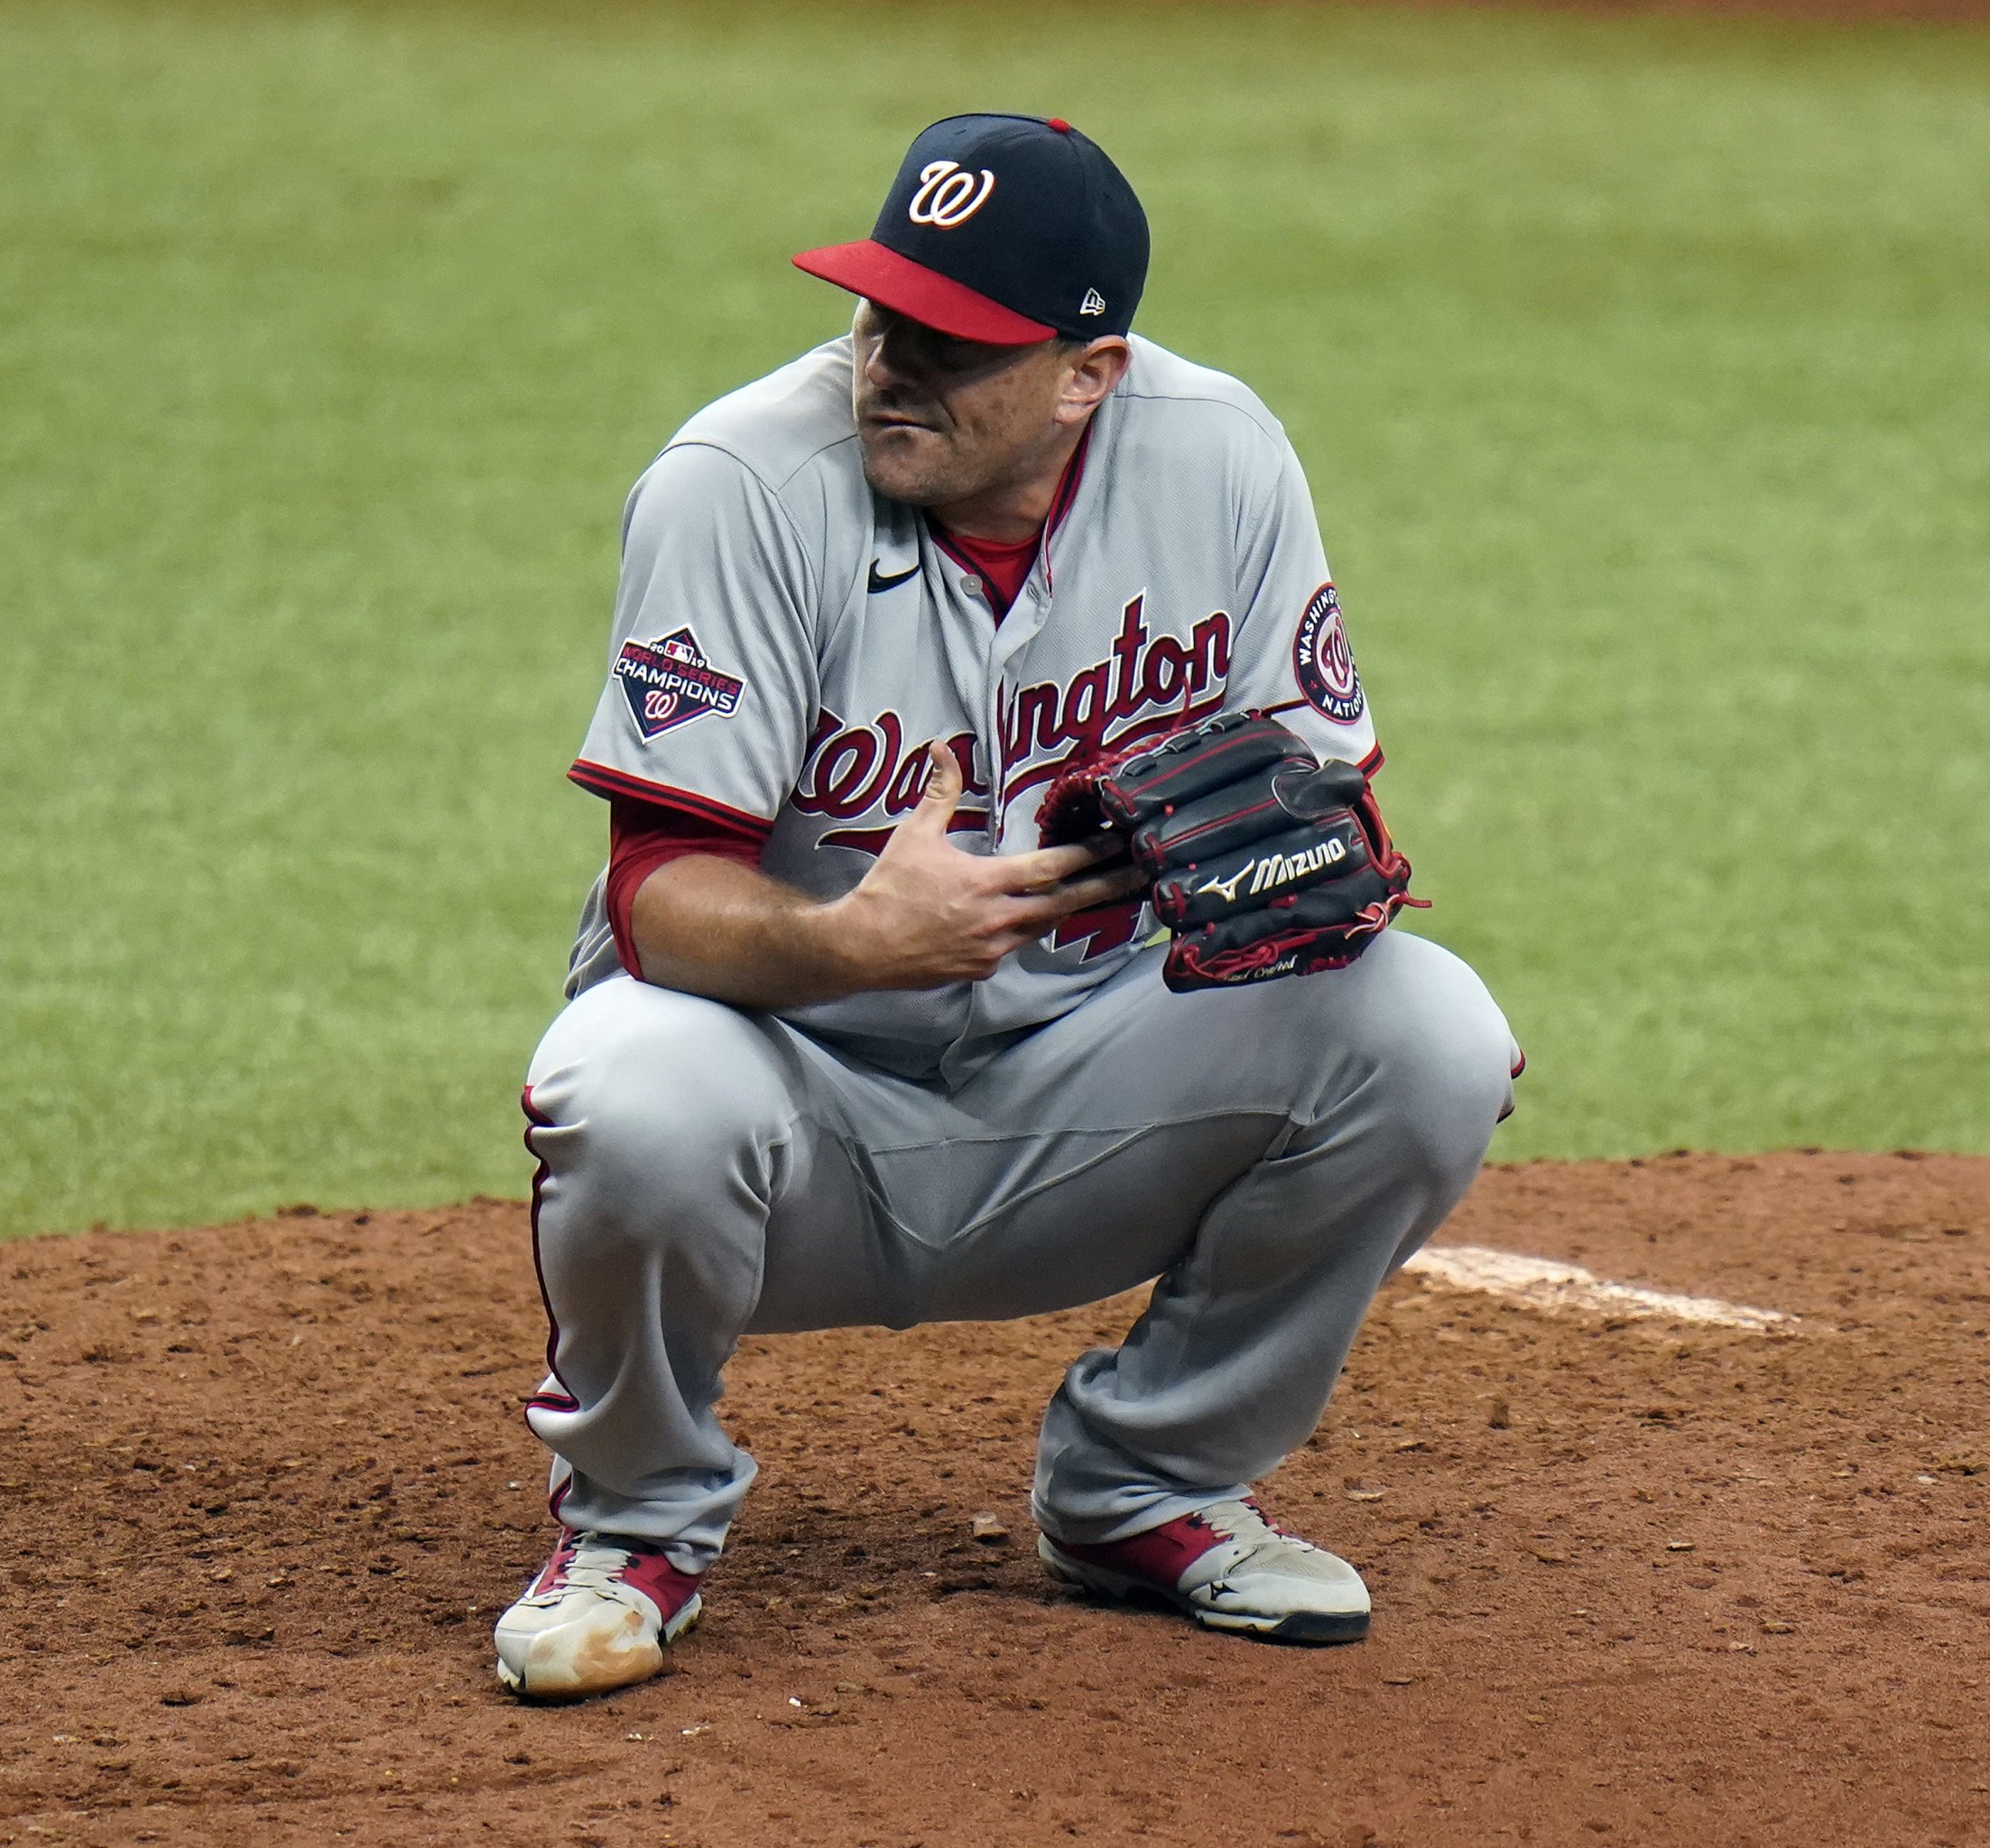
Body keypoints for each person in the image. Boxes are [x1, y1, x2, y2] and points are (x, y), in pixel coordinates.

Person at [493, 114, 1520, 1701]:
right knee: (625, 1076)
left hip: (1084, 1103)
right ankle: (635, 1523)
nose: (890, 362)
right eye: (879, 311)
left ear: (1085, 372)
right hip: (791, 1118)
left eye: (952, 342)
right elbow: (654, 896)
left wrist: (1298, 878)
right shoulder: (738, 484)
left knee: (1429, 1030)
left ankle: (1143, 1489)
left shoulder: (1222, 454)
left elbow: (1329, 812)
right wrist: (848, 942)